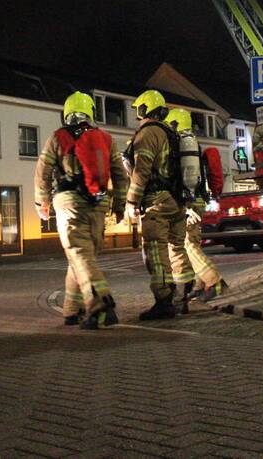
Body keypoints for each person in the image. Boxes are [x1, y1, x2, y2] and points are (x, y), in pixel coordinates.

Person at [34, 92, 128, 329]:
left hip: (69, 203)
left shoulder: (58, 138)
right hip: (98, 204)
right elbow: (119, 175)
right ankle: (71, 310)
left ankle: (100, 304)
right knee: (82, 256)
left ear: (66, 114)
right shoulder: (106, 138)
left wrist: (41, 203)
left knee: (79, 254)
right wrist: (119, 205)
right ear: (91, 113)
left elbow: (42, 172)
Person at [124, 90, 190, 320]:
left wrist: (132, 200)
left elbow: (141, 171)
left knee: (155, 251)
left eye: (138, 111)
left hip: (156, 202)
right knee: (176, 249)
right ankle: (182, 297)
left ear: (144, 109)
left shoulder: (148, 134)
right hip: (175, 202)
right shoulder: (171, 133)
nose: (138, 117)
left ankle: (164, 302)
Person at [165, 108, 227, 307]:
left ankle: (214, 281)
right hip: (198, 199)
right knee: (194, 242)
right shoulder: (194, 145)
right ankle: (200, 286)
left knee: (187, 244)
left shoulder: (180, 146)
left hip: (189, 202)